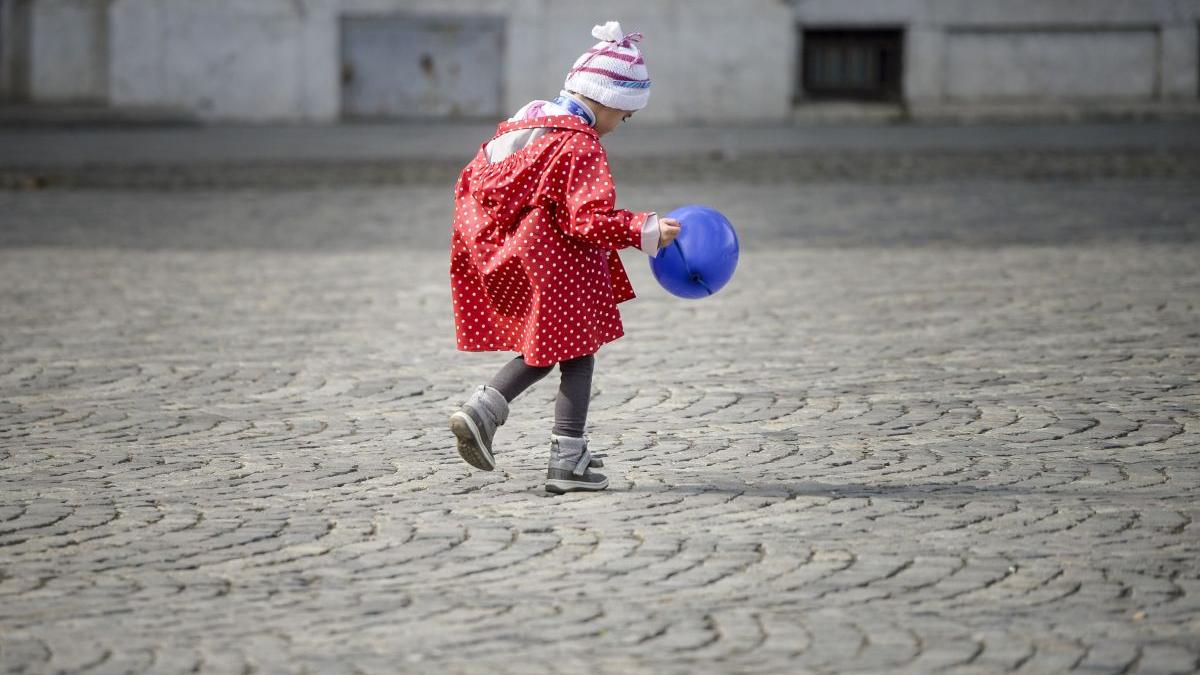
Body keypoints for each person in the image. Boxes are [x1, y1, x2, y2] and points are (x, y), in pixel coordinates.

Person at [448, 20, 681, 494]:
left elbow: (475, 186)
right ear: (610, 99)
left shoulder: (526, 123)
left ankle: (485, 410)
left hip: (517, 253)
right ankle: (566, 460)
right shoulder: (579, 144)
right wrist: (644, 228)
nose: (623, 125)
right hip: (561, 264)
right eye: (626, 115)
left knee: (547, 350)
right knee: (577, 355)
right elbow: (588, 219)